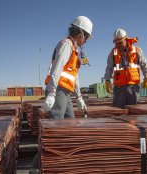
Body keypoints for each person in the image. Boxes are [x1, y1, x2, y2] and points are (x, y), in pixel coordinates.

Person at [29, 16, 93, 174]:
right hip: (58, 91)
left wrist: (79, 97)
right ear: (80, 34)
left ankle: (63, 161)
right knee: (54, 127)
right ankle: (37, 166)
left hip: (66, 93)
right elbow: (56, 69)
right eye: (86, 37)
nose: (86, 41)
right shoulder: (66, 45)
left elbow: (74, 76)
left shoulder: (74, 49)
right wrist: (51, 92)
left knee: (70, 124)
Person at [104, 28, 147, 109]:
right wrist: (107, 80)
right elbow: (109, 67)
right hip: (119, 87)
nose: (117, 45)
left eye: (120, 43)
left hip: (133, 86)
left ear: (126, 39)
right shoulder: (113, 52)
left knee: (133, 111)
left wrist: (146, 77)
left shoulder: (137, 50)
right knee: (117, 110)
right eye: (116, 43)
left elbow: (144, 64)